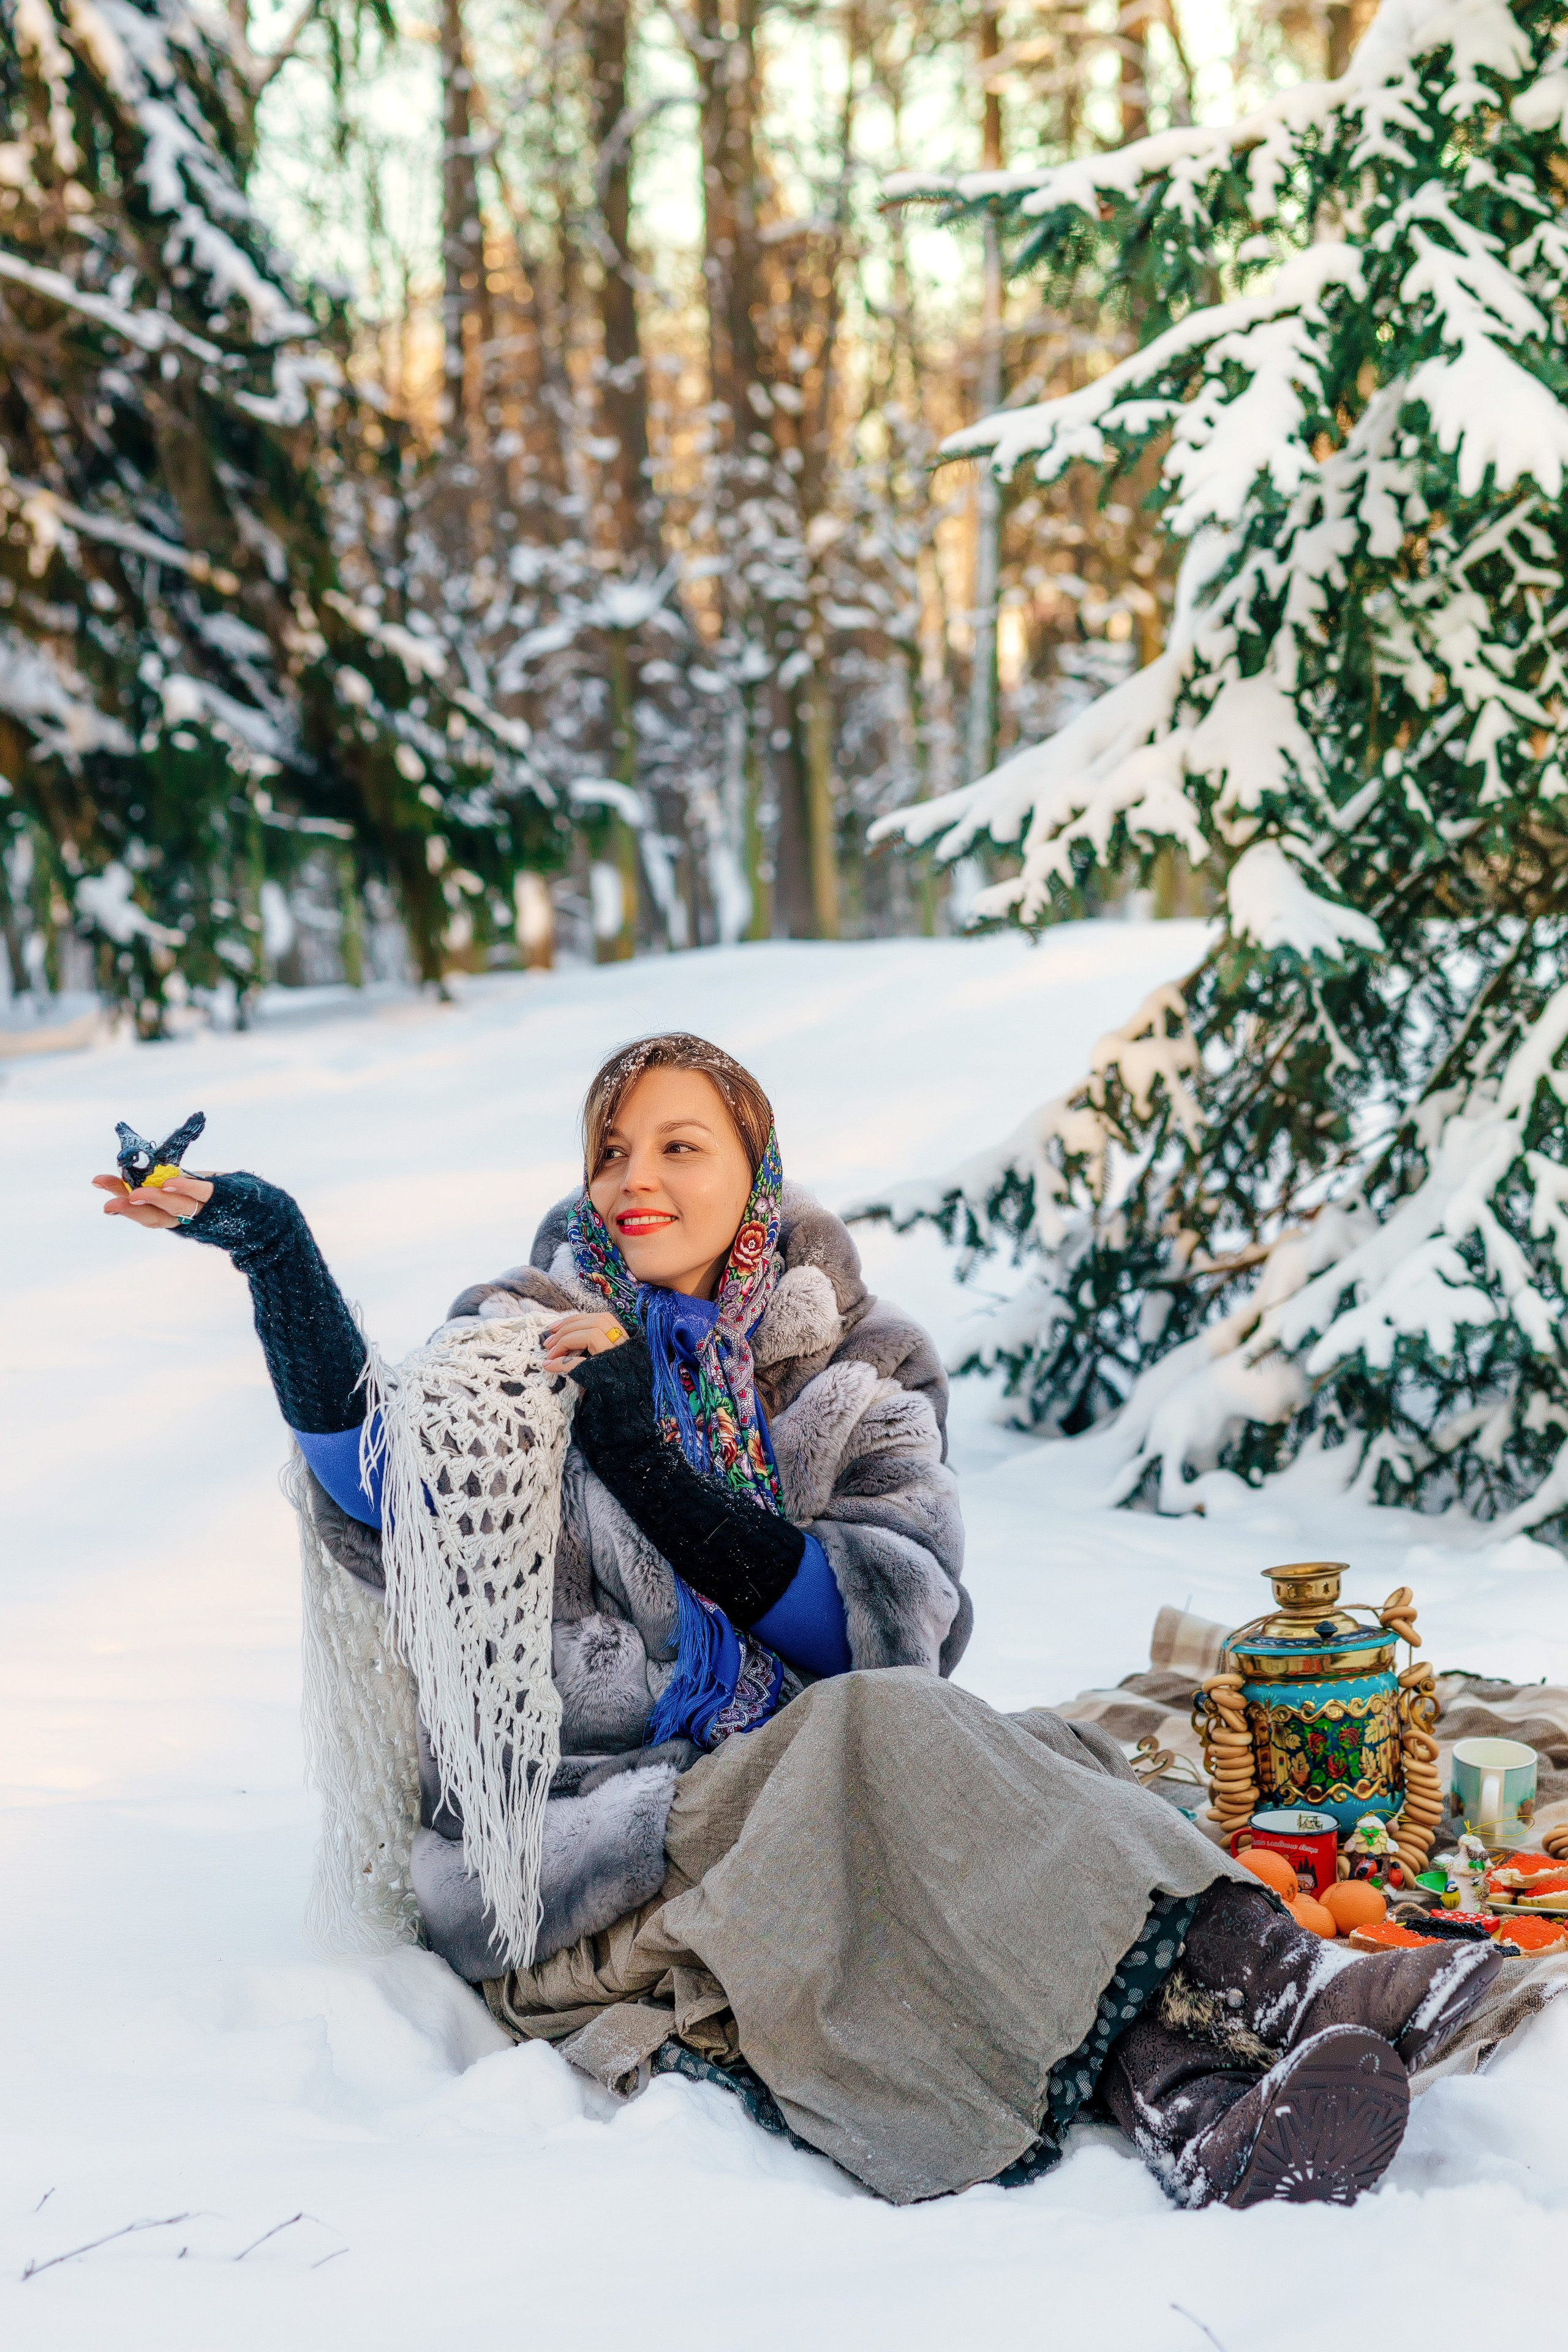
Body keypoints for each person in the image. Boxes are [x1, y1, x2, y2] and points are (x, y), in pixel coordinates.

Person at [96, 1031, 1500, 2209]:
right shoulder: (520, 1343)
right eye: (610, 1150)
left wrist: (646, 1462)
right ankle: (1295, 1977)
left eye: (676, 1145)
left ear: (754, 1169)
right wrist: (275, 1256)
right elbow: (382, 1491)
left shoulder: (860, 1368)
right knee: (904, 1754)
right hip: (605, 1843)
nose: (633, 1178)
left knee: (1032, 1760)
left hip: (804, 1768)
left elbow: (882, 1632)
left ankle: (1196, 2119)